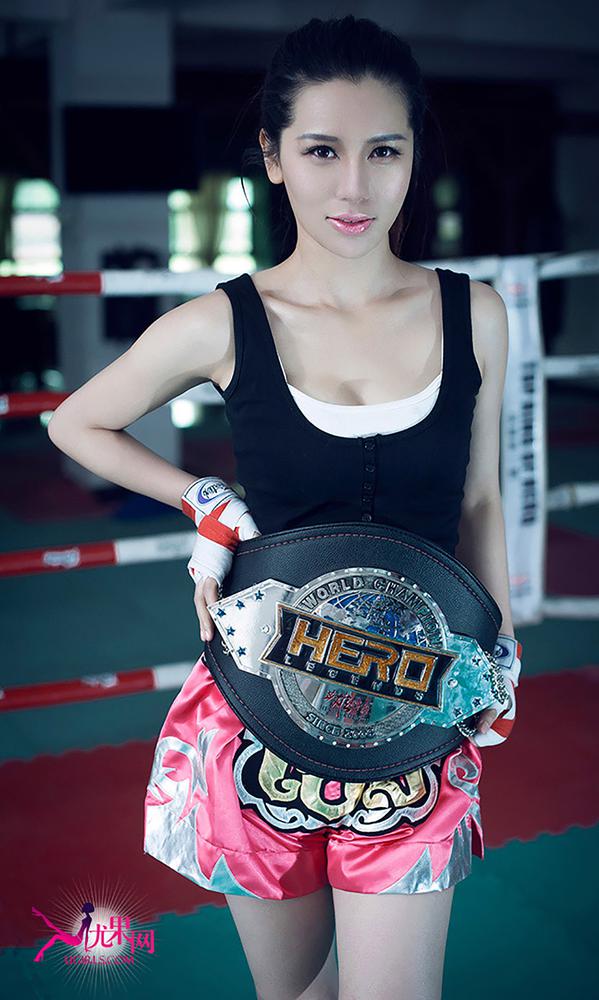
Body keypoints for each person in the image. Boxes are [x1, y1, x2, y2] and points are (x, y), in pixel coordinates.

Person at [48, 15, 521, 1000]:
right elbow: (75, 421)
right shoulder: (223, 320)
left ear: (412, 156)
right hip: (257, 704)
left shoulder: (473, 312)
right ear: (271, 157)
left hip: (418, 698)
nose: (353, 188)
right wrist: (203, 498)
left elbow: (479, 496)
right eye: (320, 151)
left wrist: (501, 643)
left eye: (381, 151)